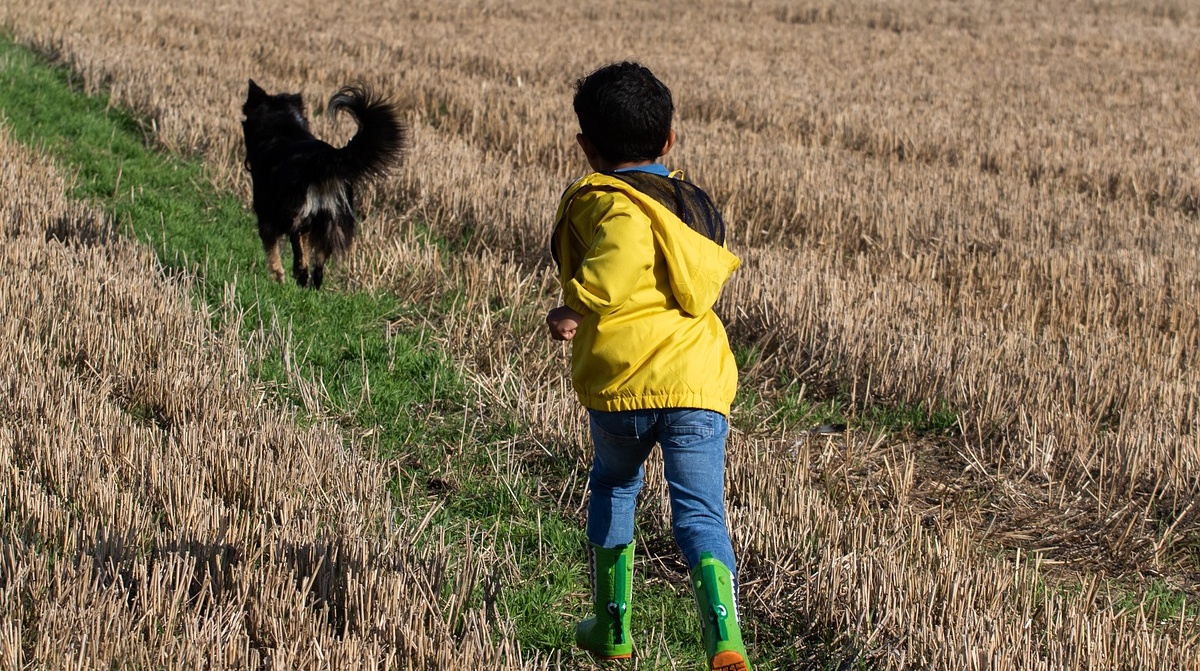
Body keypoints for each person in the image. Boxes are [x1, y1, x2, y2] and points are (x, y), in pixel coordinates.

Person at [546, 61, 751, 671]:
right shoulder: (691, 209)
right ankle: (725, 640)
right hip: (697, 386)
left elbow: (618, 260)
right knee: (701, 514)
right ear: (669, 140)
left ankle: (612, 629)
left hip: (624, 388)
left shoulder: (615, 205)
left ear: (587, 147)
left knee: (613, 486)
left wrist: (572, 305)